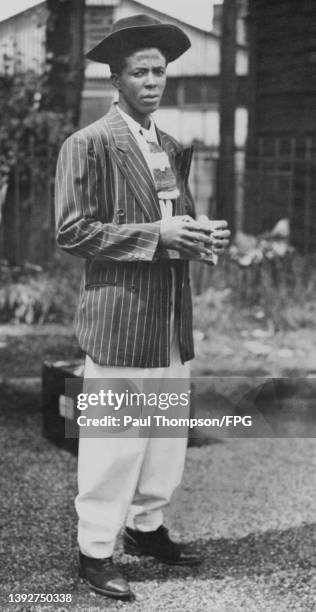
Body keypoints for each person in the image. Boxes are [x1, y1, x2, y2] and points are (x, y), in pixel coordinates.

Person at [55, 13, 230, 602]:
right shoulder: (89, 145)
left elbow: (172, 220)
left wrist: (201, 237)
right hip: (120, 315)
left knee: (164, 435)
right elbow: (73, 231)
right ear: (116, 79)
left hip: (171, 316)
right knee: (115, 439)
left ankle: (147, 527)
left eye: (159, 72)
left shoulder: (171, 147)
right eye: (140, 72)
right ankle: (95, 551)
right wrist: (157, 237)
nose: (153, 81)